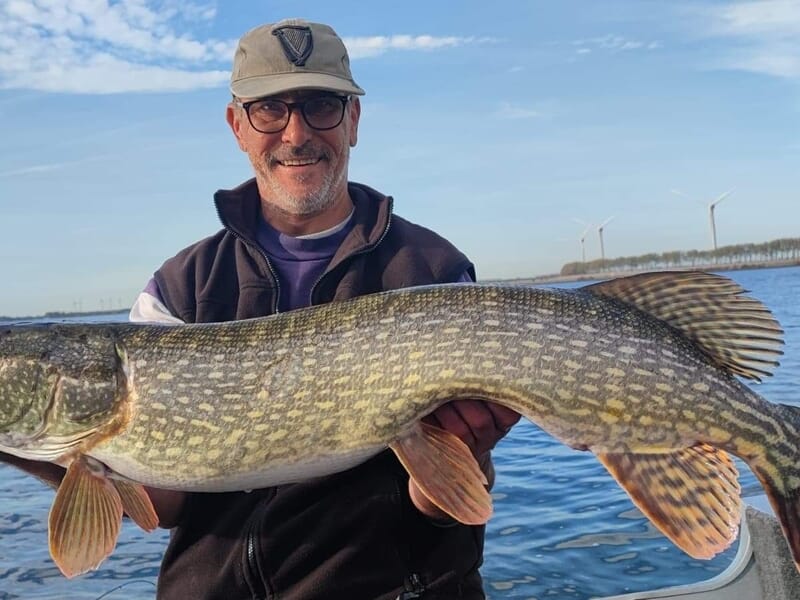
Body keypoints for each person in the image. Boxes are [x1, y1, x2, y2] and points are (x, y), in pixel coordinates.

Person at [2, 18, 520, 599]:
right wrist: (53, 457)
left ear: (353, 120)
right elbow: (166, 503)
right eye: (269, 111)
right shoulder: (180, 288)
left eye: (321, 106)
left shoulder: (431, 271)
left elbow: (440, 500)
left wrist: (463, 458)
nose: (295, 133)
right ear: (238, 126)